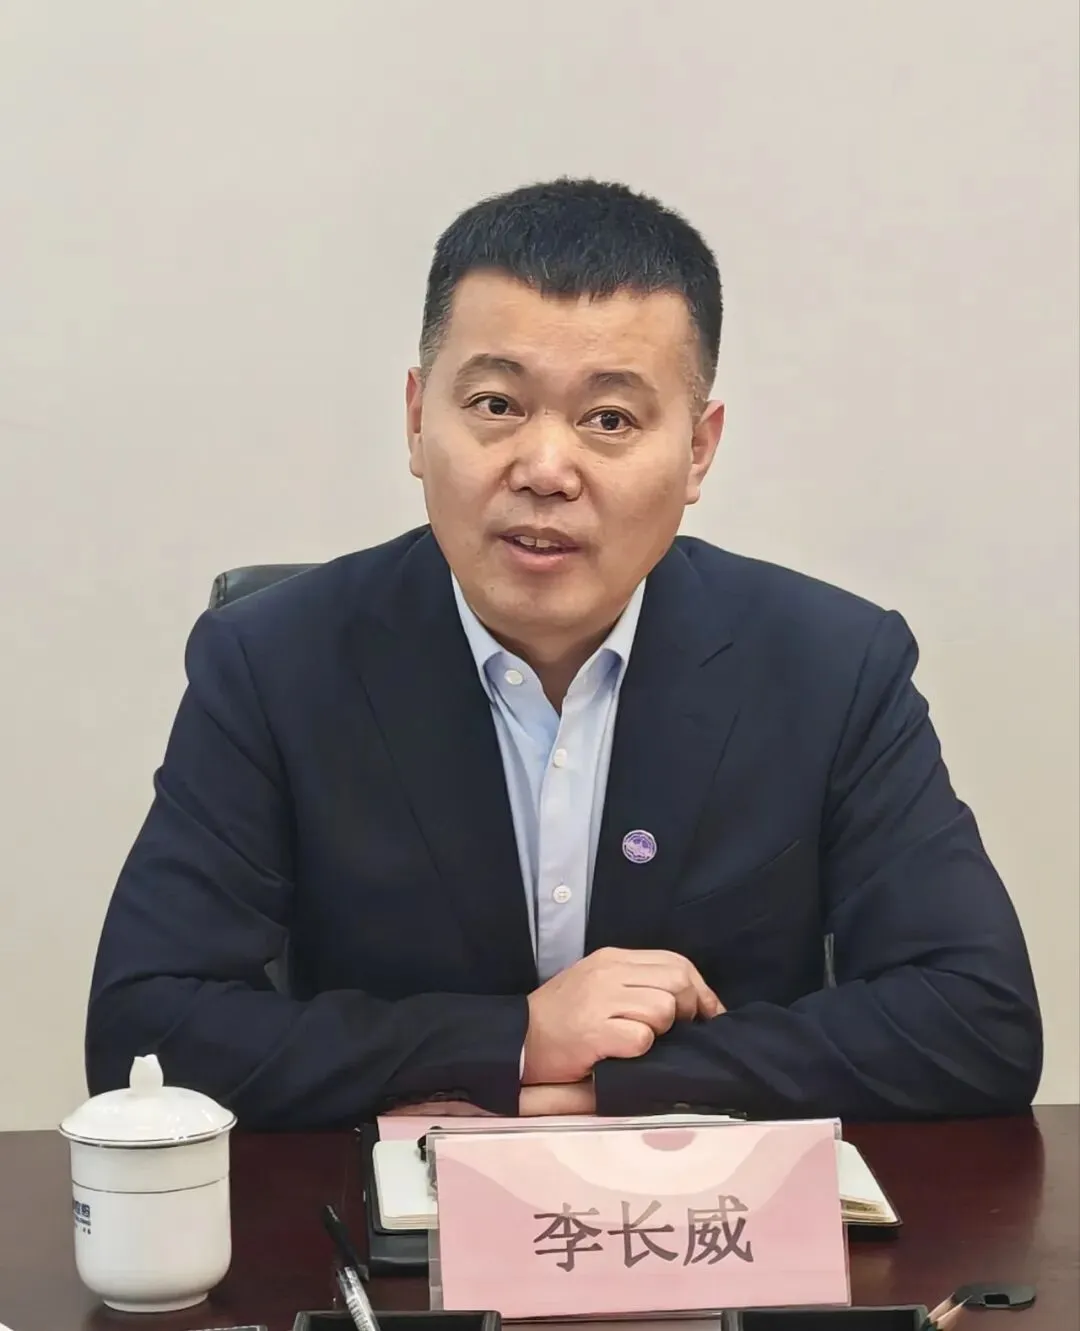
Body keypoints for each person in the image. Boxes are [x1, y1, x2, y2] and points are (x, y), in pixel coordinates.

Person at [86, 178, 1042, 1129]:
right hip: (391, 1215)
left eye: (610, 419)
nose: (545, 469)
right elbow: (144, 1031)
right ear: (417, 419)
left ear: (698, 451)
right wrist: (515, 1042)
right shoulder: (273, 664)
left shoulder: (832, 666)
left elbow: (979, 1021)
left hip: (715, 1211)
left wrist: (631, 1081)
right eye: (496, 403)